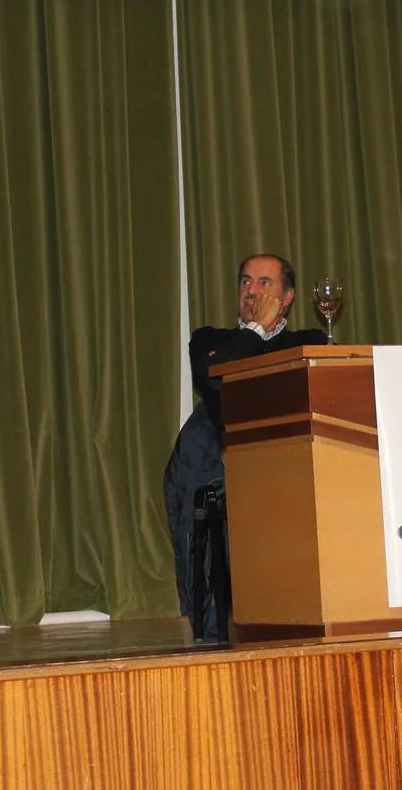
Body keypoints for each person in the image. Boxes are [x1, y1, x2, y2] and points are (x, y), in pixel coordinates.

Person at [162, 254, 327, 631]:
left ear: (287, 297)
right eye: (245, 282)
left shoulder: (308, 342)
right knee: (198, 453)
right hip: (223, 462)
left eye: (265, 283)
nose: (251, 290)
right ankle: (211, 626)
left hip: (290, 463)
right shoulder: (211, 340)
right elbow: (217, 383)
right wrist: (254, 331)